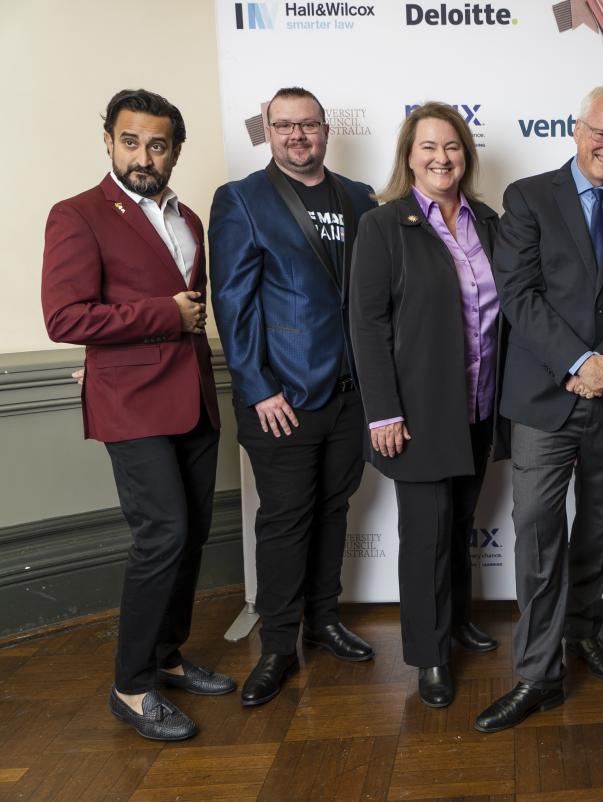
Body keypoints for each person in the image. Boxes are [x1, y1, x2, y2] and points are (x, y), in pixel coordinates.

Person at [475, 85, 603, 733]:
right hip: (544, 398)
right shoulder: (528, 197)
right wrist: (578, 362)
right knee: (536, 528)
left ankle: (584, 630)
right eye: (600, 133)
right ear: (576, 128)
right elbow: (519, 293)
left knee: (595, 525)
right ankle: (537, 673)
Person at [42, 89, 233, 741]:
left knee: (193, 533)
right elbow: (64, 316)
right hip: (130, 404)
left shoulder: (190, 220)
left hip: (193, 398)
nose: (144, 155)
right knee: (163, 535)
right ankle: (131, 685)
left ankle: (167, 656)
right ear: (108, 141)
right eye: (131, 141)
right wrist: (165, 315)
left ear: (175, 150)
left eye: (157, 143)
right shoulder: (78, 215)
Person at [210, 87, 377, 707]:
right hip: (281, 398)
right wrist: (258, 389)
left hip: (349, 392)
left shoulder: (360, 199)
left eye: (308, 125)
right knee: (284, 520)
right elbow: (233, 303)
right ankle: (280, 643)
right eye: (284, 126)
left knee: (334, 509)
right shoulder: (242, 199)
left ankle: (325, 618)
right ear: (267, 130)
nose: (297, 136)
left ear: (326, 130)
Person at [349, 102, 505, 709]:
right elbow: (367, 322)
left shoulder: (487, 221)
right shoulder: (384, 225)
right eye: (429, 148)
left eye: (453, 147)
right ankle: (429, 655)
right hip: (415, 412)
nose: (442, 158)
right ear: (409, 156)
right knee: (425, 536)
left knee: (458, 523)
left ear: (466, 154)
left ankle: (458, 621)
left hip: (478, 403)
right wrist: (383, 411)